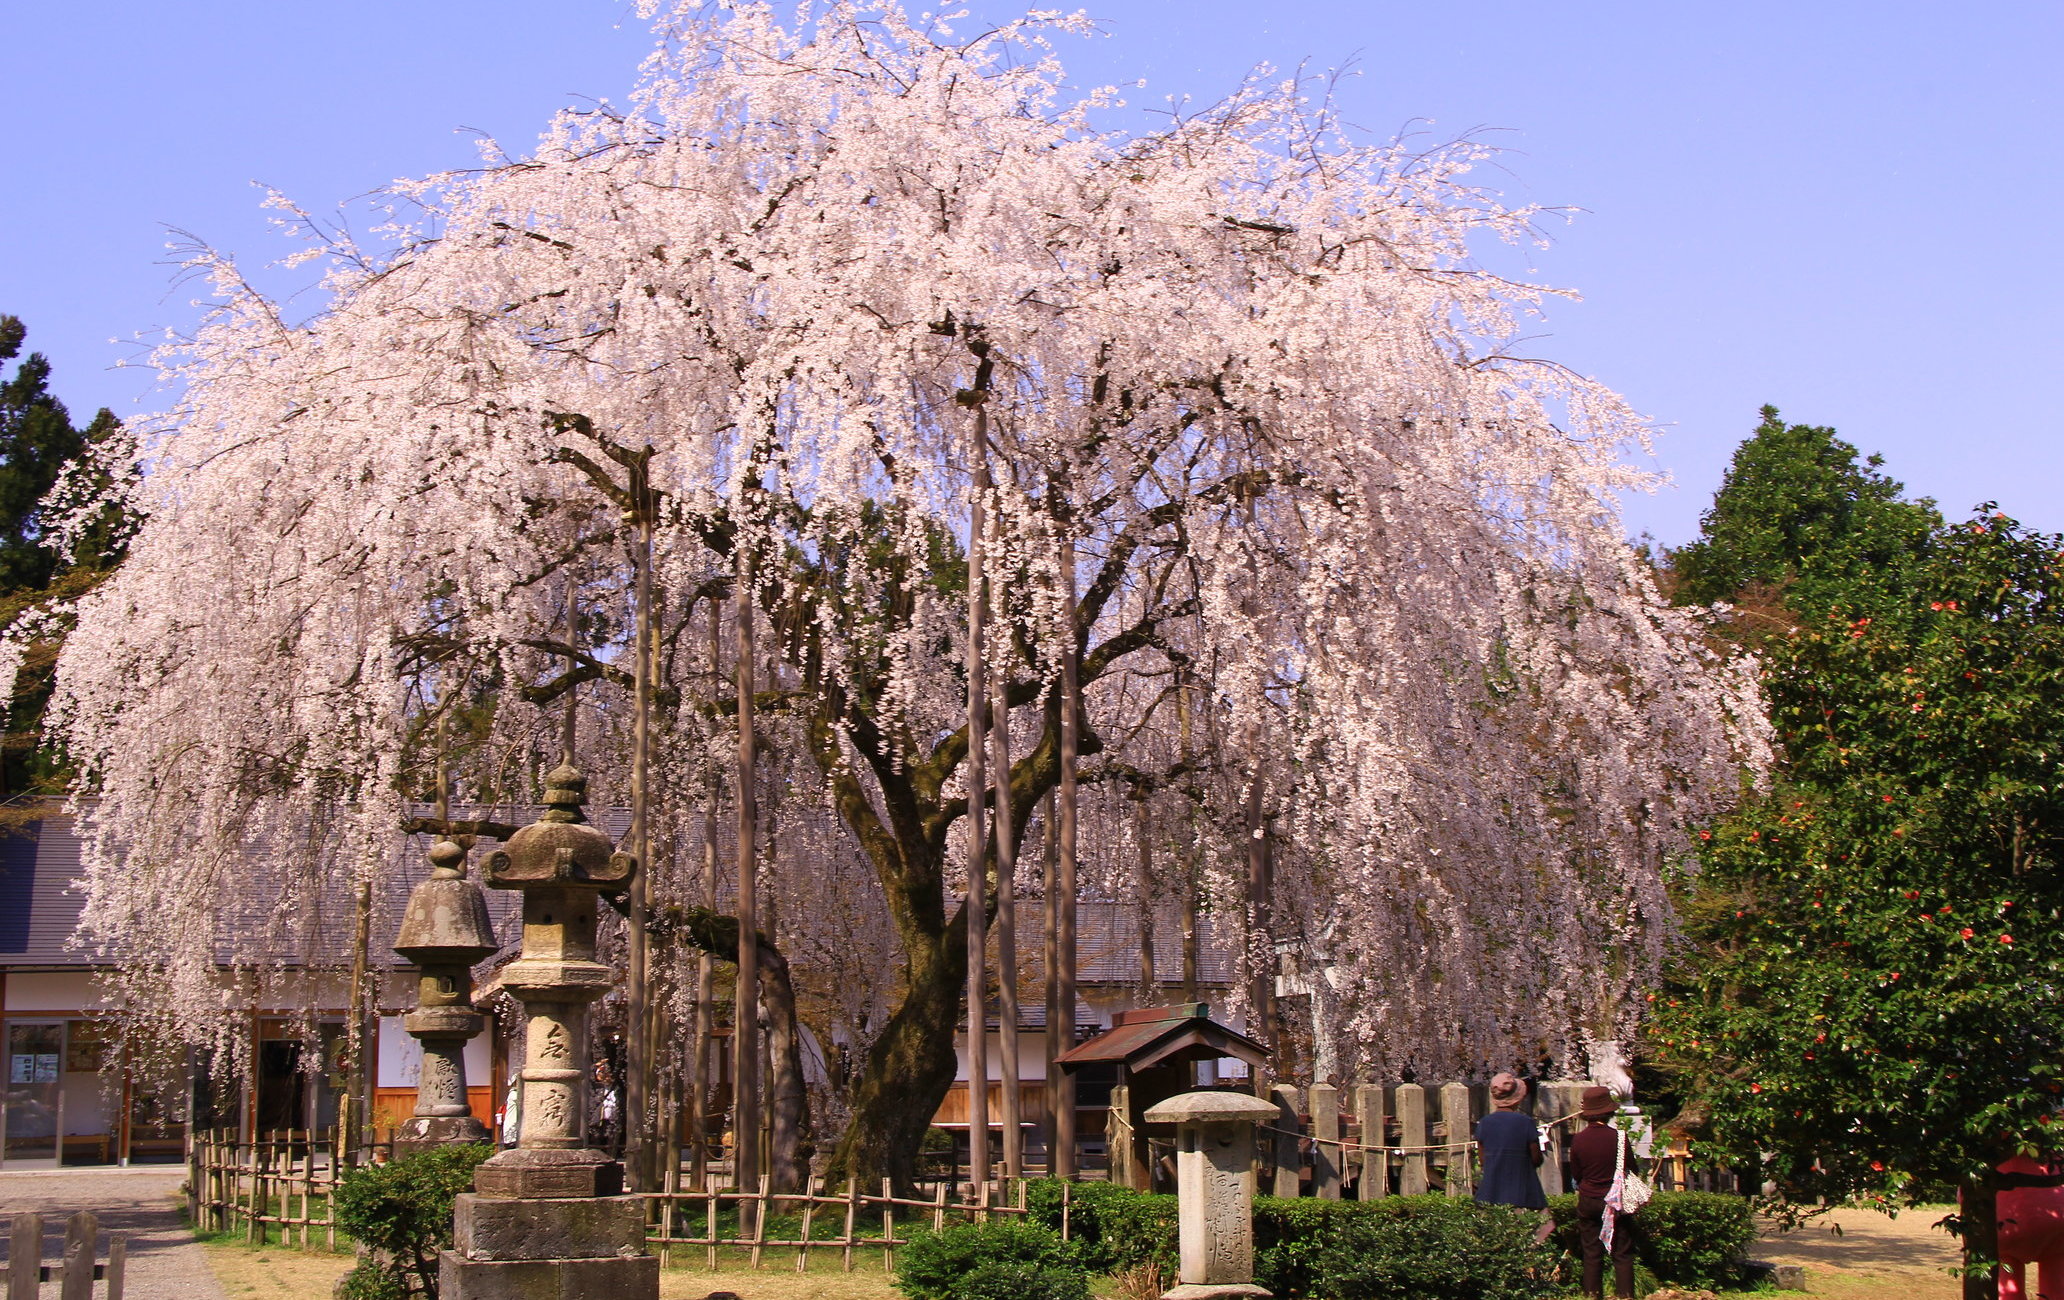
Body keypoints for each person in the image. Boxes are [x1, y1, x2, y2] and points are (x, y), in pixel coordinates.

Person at [1566, 1085, 1639, 1299]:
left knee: (1591, 1253)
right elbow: (1632, 1169)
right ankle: (1625, 1295)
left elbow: (1576, 1173)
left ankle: (1592, 1294)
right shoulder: (1619, 1138)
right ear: (1609, 1112)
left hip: (1588, 1199)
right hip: (1615, 1201)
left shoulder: (1578, 1139)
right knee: (1622, 1253)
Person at [1474, 1072, 1553, 1243]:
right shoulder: (1525, 1122)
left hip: (1491, 1192)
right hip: (1524, 1192)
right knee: (1530, 1242)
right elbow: (1536, 1158)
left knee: (1495, 1243)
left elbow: (1483, 1161)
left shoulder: (1485, 1123)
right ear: (1517, 1098)